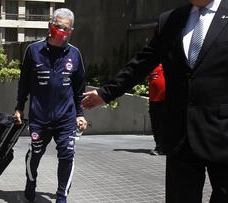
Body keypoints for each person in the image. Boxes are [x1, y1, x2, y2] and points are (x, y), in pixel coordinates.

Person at [82, 0, 228, 202]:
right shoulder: (171, 19)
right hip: (180, 134)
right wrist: (107, 93)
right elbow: (144, 61)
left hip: (223, 132)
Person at [13, 8, 88, 203]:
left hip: (66, 119)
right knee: (35, 153)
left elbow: (80, 88)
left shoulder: (75, 54)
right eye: (57, 26)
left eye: (65, 28)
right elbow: (24, 83)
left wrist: (79, 114)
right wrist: (19, 107)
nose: (60, 31)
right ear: (49, 26)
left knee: (67, 155)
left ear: (71, 30)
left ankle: (62, 195)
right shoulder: (33, 50)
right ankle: (31, 182)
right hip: (40, 118)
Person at [146, 64, 165, 155]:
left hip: (166, 99)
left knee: (163, 123)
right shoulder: (151, 62)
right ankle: (159, 146)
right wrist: (148, 77)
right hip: (154, 98)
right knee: (155, 123)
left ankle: (162, 147)